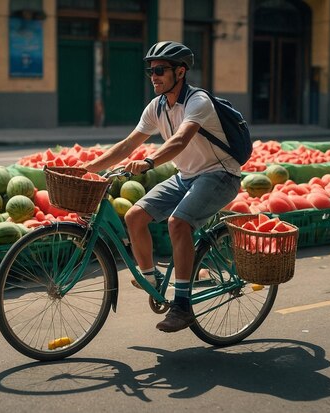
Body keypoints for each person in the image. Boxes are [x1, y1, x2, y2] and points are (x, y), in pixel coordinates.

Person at [83, 41, 242, 333]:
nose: (153, 76)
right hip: (186, 176)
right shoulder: (157, 106)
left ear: (180, 72)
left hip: (220, 175)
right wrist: (87, 169)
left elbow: (180, 140)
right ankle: (151, 277)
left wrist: (149, 161)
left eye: (160, 70)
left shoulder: (198, 102)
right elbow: (128, 143)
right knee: (134, 216)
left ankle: (182, 306)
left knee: (178, 223)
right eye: (151, 71)